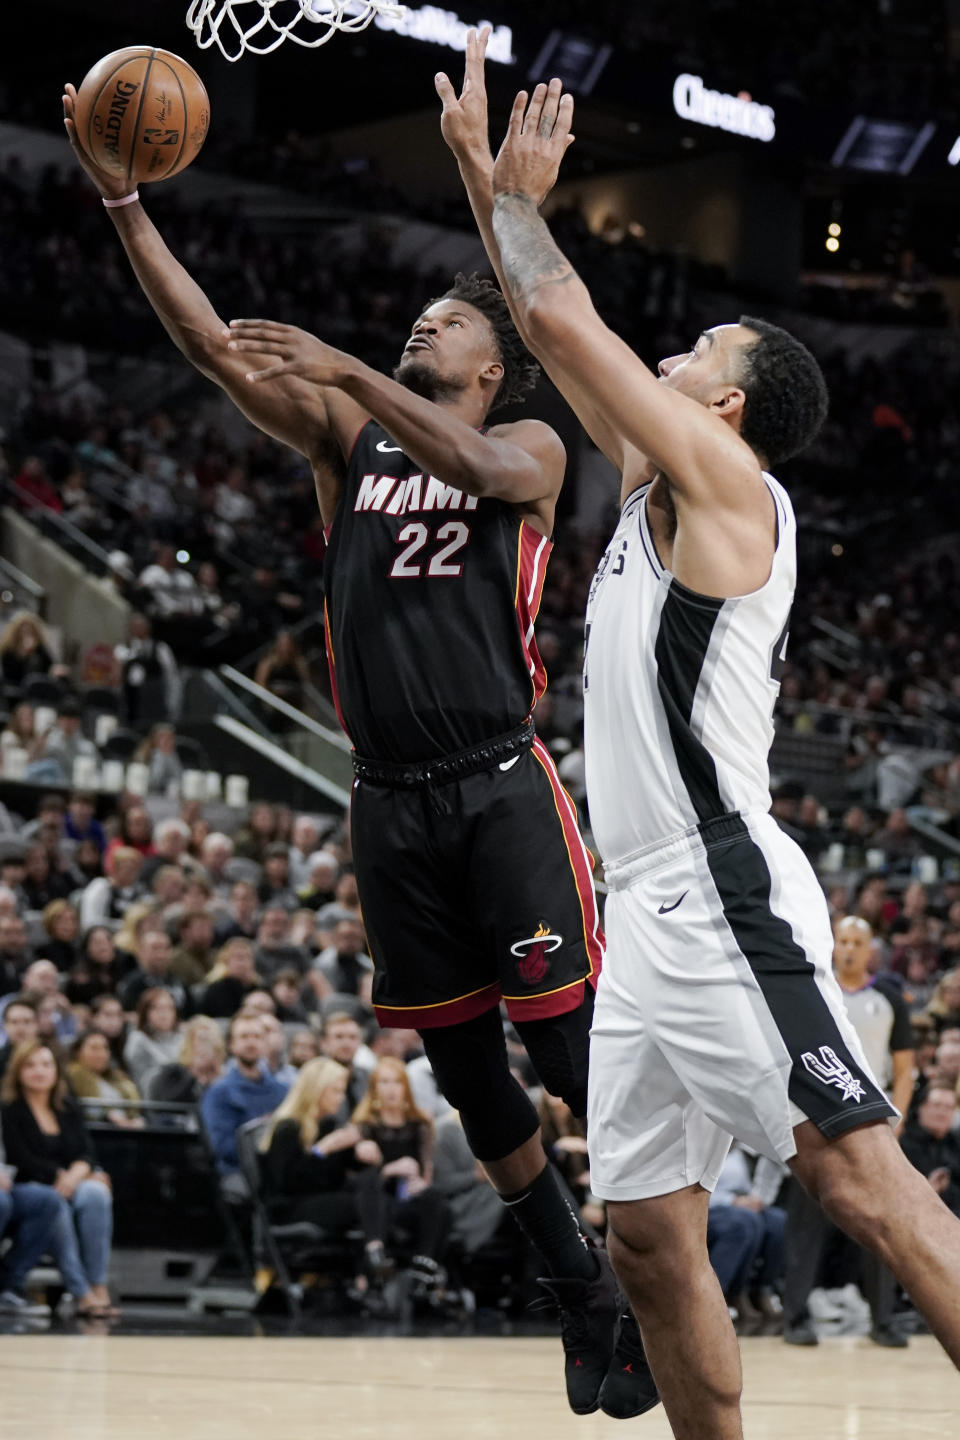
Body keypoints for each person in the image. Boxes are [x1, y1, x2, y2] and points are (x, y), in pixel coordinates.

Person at [62, 88, 624, 1421]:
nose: (419, 325)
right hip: (388, 802)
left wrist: (361, 355)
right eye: (413, 319)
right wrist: (125, 203)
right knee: (467, 1073)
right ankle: (579, 1288)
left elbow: (486, 474)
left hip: (499, 781)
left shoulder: (530, 441)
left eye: (449, 324)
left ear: (492, 365)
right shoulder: (348, 440)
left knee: (573, 1062)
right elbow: (209, 347)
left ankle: (662, 1275)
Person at [438, 36, 960, 1430]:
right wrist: (487, 202)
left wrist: (513, 202)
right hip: (648, 909)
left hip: (725, 885)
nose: (659, 360)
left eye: (690, 355)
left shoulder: (728, 483)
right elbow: (561, 324)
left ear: (723, 409)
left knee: (862, 1184)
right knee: (654, 1245)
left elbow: (559, 324)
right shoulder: (656, 489)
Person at [0, 1039, 117, 1316]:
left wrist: (77, 1175)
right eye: (30, 1065)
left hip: (69, 1181)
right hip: (30, 1181)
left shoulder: (67, 1106)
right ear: (18, 1071)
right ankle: (80, 1290)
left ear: (56, 1070)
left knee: (96, 1194)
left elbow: (86, 1152)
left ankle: (98, 1283)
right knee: (53, 1202)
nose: (39, 1071)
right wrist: (59, 1176)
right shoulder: (9, 1109)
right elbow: (19, 1158)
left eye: (46, 1064)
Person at [351, 1056, 452, 1299]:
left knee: (437, 1200)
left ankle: (424, 1263)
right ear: (374, 1088)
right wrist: (389, 1169)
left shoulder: (421, 1123)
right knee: (371, 1183)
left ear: (405, 1087)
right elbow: (360, 1177)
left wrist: (420, 1182)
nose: (391, 1089)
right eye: (384, 1082)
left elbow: (426, 1169)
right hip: (377, 1197)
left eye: (396, 1082)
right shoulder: (364, 1124)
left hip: (408, 1195)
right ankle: (376, 1254)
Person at [200, 1012, 288, 1179]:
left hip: (279, 1171)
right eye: (244, 1036)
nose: (251, 1042)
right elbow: (222, 1147)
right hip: (239, 1173)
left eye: (256, 1036)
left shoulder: (282, 1091)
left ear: (264, 1043)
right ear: (231, 1044)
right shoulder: (219, 1093)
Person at [901, 1085, 960, 1219]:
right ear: (922, 1107)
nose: (942, 1112)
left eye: (948, 1107)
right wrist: (929, 1190)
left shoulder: (956, 1143)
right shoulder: (903, 1143)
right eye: (937, 1105)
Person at [65, 1030, 141, 1128]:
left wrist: (136, 1120)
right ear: (78, 1052)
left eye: (105, 1048)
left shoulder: (117, 1078)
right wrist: (108, 1117)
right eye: (94, 1048)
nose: (101, 1054)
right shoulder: (72, 1077)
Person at [122, 989, 183, 1093]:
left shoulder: (181, 1038)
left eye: (170, 1008)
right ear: (145, 1012)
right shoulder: (138, 1039)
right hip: (154, 1100)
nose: (164, 1013)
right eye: (157, 1008)